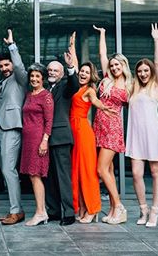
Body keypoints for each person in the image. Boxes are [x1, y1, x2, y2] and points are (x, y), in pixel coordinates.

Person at [125, 24, 158, 228]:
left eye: (146, 70)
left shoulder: (156, 87)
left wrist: (156, 40)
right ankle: (143, 209)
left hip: (152, 134)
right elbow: (112, 68)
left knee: (155, 172)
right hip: (135, 136)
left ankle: (155, 211)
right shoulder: (132, 88)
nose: (143, 73)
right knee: (135, 173)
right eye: (140, 71)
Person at [93, 26, 133, 224]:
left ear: (123, 66)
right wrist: (102, 34)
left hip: (113, 129)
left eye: (118, 65)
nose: (115, 67)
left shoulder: (129, 85)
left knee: (100, 170)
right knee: (107, 170)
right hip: (99, 126)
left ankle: (119, 206)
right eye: (113, 65)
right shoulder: (106, 79)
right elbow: (102, 53)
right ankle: (112, 209)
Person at [70, 56, 117, 224]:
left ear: (91, 76)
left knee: (87, 172)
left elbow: (96, 102)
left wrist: (105, 107)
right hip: (73, 131)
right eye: (82, 71)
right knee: (76, 172)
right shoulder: (75, 86)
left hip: (83, 132)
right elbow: (73, 65)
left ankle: (93, 208)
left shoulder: (89, 90)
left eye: (87, 72)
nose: (83, 73)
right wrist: (72, 46)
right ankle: (81, 207)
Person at [44, 33, 79, 226]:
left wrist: (71, 66)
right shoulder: (43, 88)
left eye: (55, 70)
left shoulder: (66, 86)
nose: (51, 72)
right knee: (49, 177)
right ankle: (54, 210)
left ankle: (69, 213)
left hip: (61, 137)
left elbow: (75, 84)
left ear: (62, 73)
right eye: (49, 70)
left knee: (63, 176)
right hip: (45, 139)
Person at [0, 29, 28, 225]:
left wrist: (11, 46)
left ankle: (17, 211)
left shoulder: (19, 79)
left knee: (9, 171)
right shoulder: (2, 82)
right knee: (6, 171)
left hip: (12, 129)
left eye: (6, 64)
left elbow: (19, 66)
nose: (4, 68)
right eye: (1, 66)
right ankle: (13, 209)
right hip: (0, 130)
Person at [19, 63, 54, 226]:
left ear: (43, 79)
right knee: (32, 175)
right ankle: (42, 211)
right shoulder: (29, 94)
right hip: (27, 140)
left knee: (36, 175)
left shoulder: (46, 96)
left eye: (37, 76)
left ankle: (41, 212)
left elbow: (49, 121)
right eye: (32, 76)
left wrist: (44, 141)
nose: (34, 78)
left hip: (38, 140)